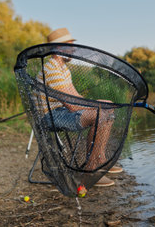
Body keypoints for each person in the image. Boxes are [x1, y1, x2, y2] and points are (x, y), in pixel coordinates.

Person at [37, 27, 123, 187]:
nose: (74, 48)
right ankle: (91, 170)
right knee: (102, 115)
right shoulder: (51, 68)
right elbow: (71, 105)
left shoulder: (63, 69)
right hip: (50, 116)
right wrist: (97, 107)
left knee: (107, 108)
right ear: (58, 48)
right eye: (70, 45)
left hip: (61, 111)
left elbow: (76, 97)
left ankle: (100, 159)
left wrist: (100, 103)